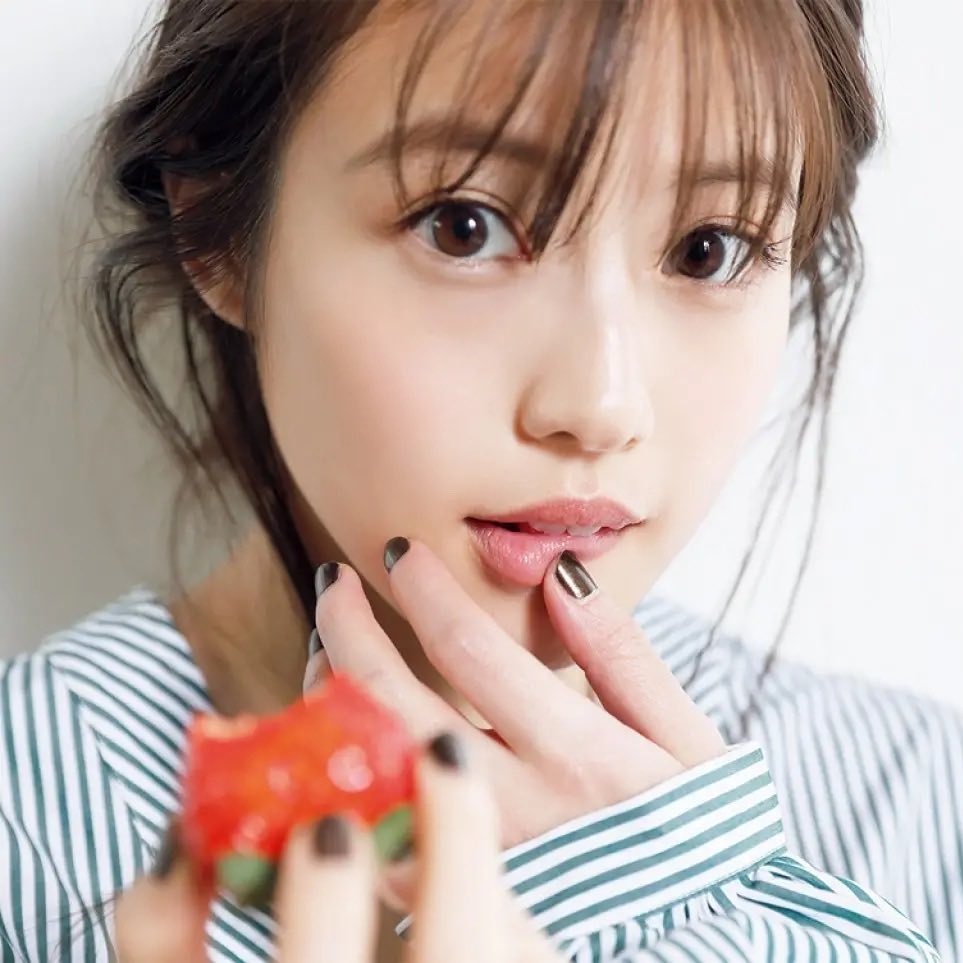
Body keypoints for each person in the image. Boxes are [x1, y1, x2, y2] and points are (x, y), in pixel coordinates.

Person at [0, 0, 959, 960]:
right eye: (464, 228)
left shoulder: (919, 807)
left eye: (709, 248)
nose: (602, 403)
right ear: (215, 224)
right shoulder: (28, 842)